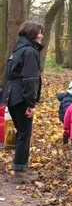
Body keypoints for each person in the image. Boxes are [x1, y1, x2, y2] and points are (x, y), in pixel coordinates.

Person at [2, 21, 44, 184]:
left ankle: (21, 167)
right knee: (24, 133)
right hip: (21, 97)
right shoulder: (30, 52)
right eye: (40, 32)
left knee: (21, 132)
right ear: (32, 33)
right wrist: (31, 103)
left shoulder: (17, 50)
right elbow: (30, 79)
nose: (42, 35)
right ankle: (19, 171)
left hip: (12, 95)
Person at [57, 79, 72, 144]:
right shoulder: (68, 97)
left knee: (70, 128)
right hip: (65, 116)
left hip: (71, 116)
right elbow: (67, 109)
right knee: (68, 129)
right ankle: (66, 140)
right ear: (70, 88)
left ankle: (69, 138)